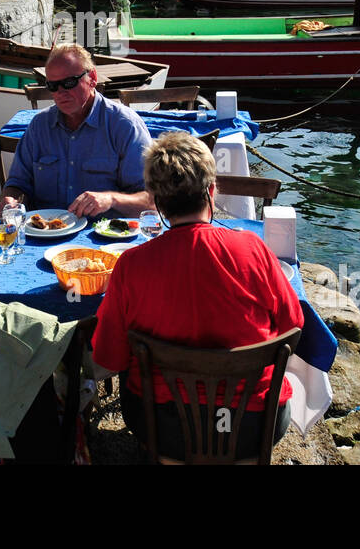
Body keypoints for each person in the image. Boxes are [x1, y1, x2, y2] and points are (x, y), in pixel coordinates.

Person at [90, 132, 304, 458]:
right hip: (254, 426)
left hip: (164, 429)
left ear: (157, 201)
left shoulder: (131, 265)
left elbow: (110, 357)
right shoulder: (253, 249)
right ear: (211, 191)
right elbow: (293, 326)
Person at [0, 43, 152, 218]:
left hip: (103, 237)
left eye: (69, 83)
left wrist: (111, 199)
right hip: (44, 233)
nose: (61, 92)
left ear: (92, 77)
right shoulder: (39, 126)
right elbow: (18, 184)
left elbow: (152, 201)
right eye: (53, 86)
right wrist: (11, 200)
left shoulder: (125, 126)